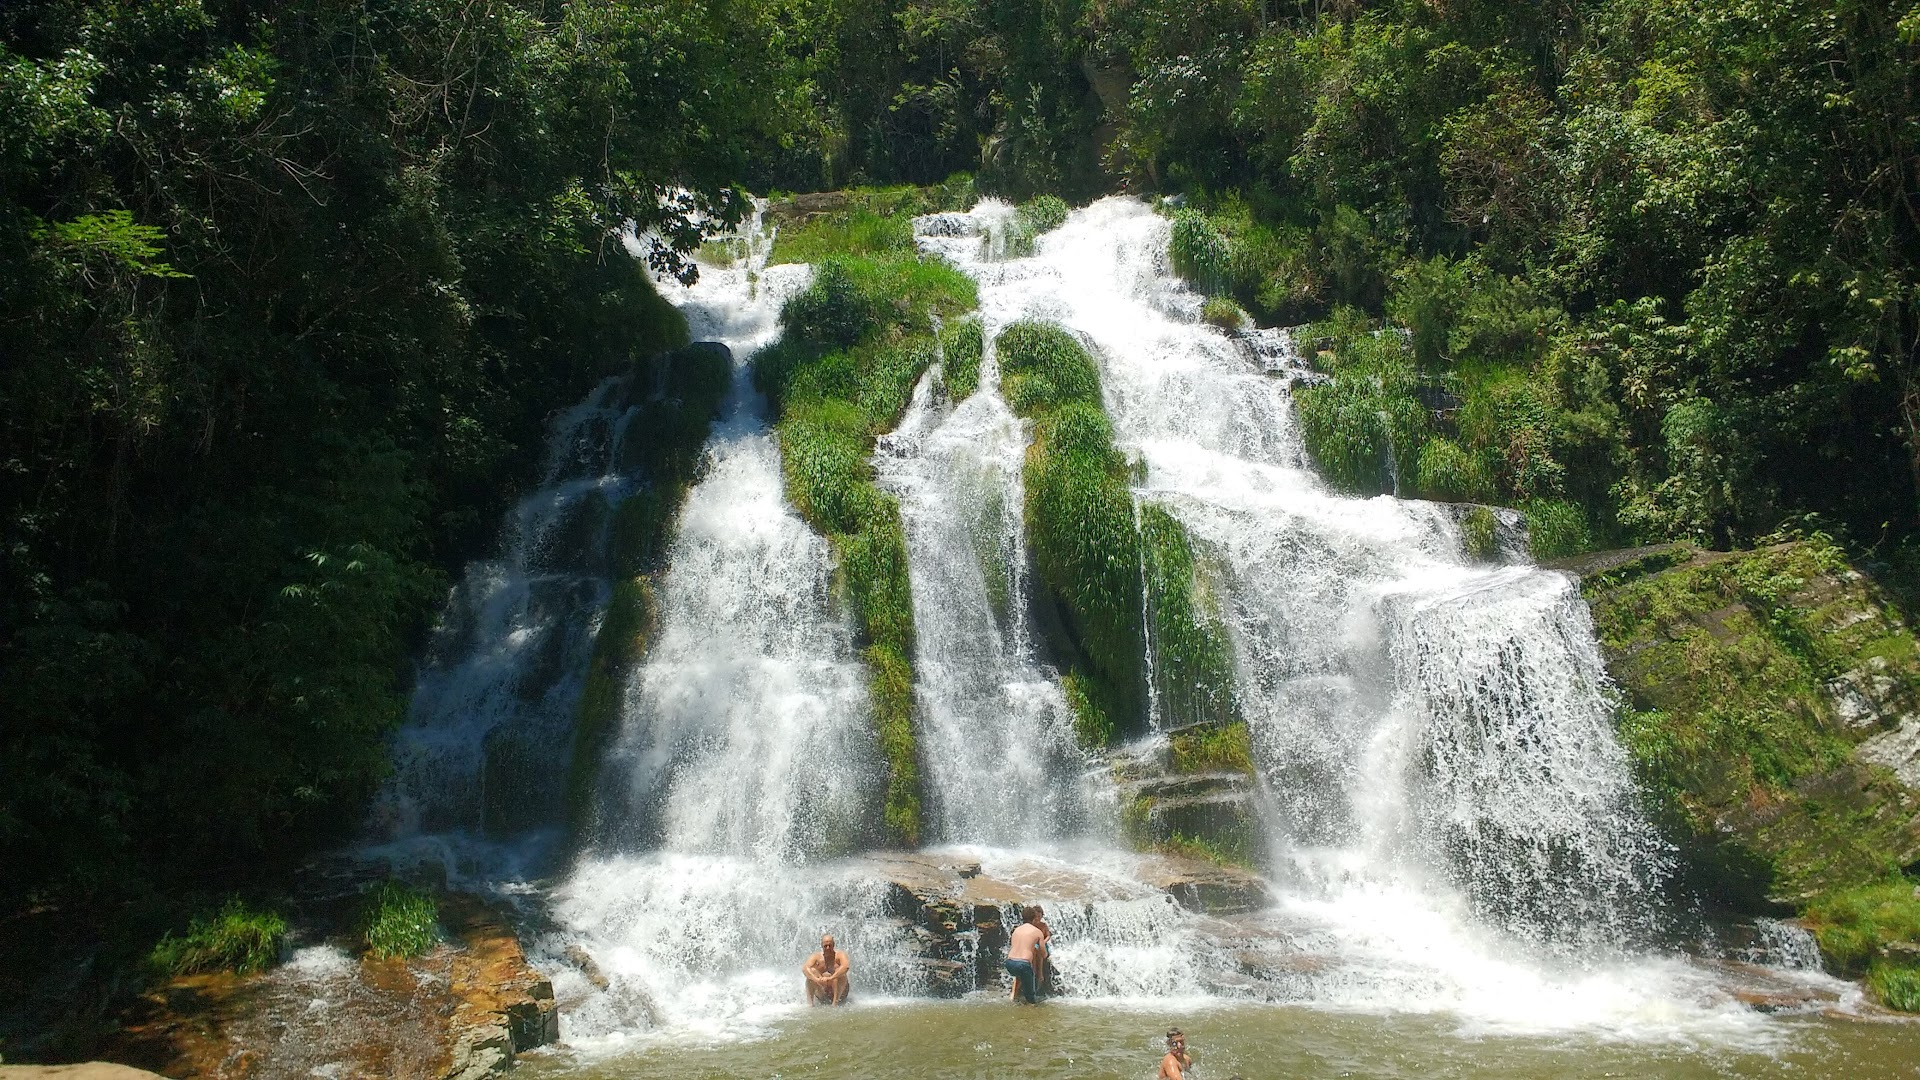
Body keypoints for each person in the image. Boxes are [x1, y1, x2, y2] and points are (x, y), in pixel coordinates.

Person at [1004, 905, 1047, 1004]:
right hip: (1023, 965)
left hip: (1009, 963)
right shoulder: (1037, 932)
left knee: (1019, 975)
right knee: (1030, 998)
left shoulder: (1016, 930)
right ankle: (1030, 1015)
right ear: (1034, 918)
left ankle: (1013, 997)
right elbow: (1044, 954)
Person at [802, 934, 850, 1005]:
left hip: (841, 994)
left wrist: (831, 978)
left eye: (830, 945)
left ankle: (834, 1005)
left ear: (833, 945)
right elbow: (805, 968)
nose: (828, 948)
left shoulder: (840, 955)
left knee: (839, 972)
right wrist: (816, 979)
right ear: (822, 946)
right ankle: (810, 1005)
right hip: (823, 991)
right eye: (825, 946)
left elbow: (846, 967)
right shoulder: (816, 957)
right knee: (811, 973)